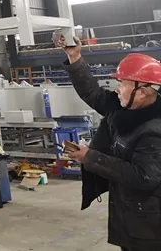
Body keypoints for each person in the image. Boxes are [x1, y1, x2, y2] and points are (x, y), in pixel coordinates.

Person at [57, 34, 161, 251]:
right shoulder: (122, 108)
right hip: (130, 211)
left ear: (141, 92)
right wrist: (75, 57)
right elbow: (92, 93)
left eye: (122, 83)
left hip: (149, 223)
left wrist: (90, 157)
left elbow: (143, 177)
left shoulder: (154, 131)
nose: (116, 89)